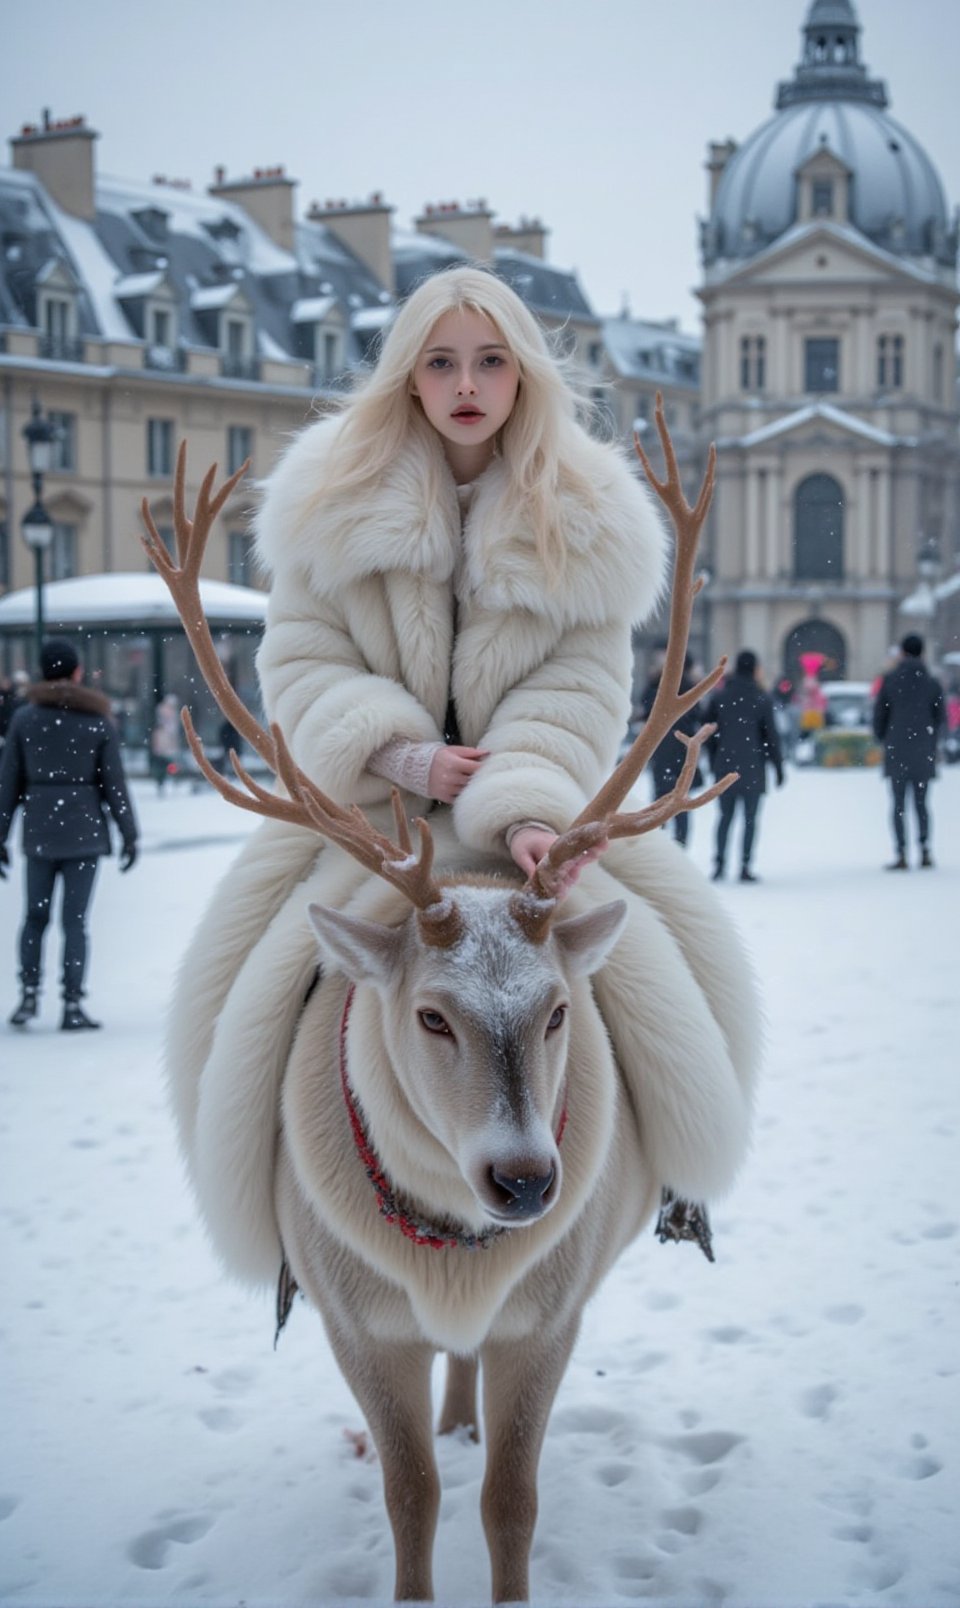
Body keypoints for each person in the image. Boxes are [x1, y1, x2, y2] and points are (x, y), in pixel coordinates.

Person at [254, 264, 667, 888]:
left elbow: (579, 689)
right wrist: (398, 757)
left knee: (658, 962)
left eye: (492, 362)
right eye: (441, 363)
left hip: (531, 831)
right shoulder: (329, 500)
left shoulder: (590, 518)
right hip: (366, 821)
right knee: (263, 971)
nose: (467, 385)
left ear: (524, 372)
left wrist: (524, 811)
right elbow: (303, 662)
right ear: (411, 379)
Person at [0, 638, 139, 1030]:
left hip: (40, 831)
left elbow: (8, 781)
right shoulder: (97, 720)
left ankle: (28, 994)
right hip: (84, 832)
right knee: (74, 921)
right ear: (78, 672)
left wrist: (1, 834)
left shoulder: (25, 719)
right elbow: (115, 785)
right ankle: (72, 1002)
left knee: (34, 917)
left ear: (42, 671)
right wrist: (130, 835)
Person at [705, 649, 784, 883]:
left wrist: (714, 759)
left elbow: (708, 732)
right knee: (750, 819)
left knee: (724, 817)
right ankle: (745, 866)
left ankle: (719, 864)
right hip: (753, 767)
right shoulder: (762, 698)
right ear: (754, 669)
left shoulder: (720, 697)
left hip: (725, 766)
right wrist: (778, 766)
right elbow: (771, 737)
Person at [872, 633, 945, 870]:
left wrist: (886, 738)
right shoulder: (932, 682)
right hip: (923, 750)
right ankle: (924, 850)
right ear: (922, 653)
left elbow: (879, 718)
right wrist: (931, 741)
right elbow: (941, 718)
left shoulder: (890, 680)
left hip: (897, 749)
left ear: (901, 653)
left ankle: (901, 852)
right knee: (922, 803)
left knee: (899, 804)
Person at [635, 652, 703, 847]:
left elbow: (646, 709)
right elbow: (697, 715)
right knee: (680, 800)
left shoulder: (658, 684)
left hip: (660, 747)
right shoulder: (690, 687)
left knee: (660, 799)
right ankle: (681, 844)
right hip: (682, 748)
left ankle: (658, 841)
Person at [149, 694, 181, 792]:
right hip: (164, 744)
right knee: (165, 766)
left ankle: (167, 780)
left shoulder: (171, 715)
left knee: (169, 765)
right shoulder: (164, 714)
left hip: (168, 745)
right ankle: (164, 781)